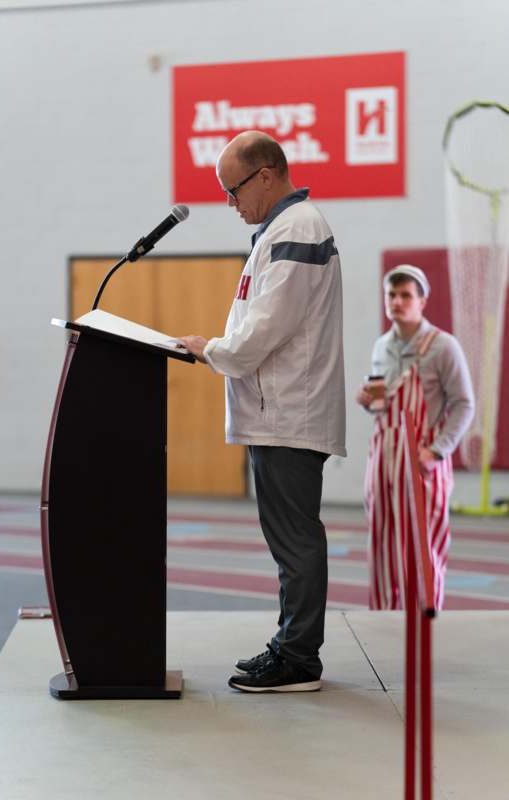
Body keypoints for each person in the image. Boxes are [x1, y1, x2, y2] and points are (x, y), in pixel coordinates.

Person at [180, 130, 346, 693]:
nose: (231, 203)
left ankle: (299, 659)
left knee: (296, 540)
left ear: (267, 175)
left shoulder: (297, 228)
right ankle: (289, 645)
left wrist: (213, 350)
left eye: (233, 190)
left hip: (290, 413)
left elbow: (266, 328)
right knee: (289, 540)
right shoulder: (278, 230)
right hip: (279, 411)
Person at [357, 265, 474, 610]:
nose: (397, 302)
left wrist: (436, 452)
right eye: (391, 295)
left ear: (422, 300)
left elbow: (464, 404)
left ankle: (424, 624)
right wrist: (368, 402)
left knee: (422, 547)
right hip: (382, 459)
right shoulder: (381, 346)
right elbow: (382, 405)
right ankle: (383, 621)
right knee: (380, 544)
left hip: (423, 461)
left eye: (406, 295)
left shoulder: (443, 346)